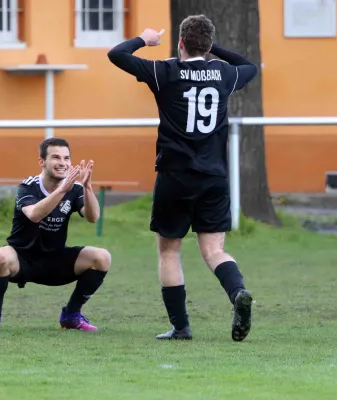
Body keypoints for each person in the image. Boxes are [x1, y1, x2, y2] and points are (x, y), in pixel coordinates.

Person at [107, 15, 257, 341]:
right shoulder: (223, 73)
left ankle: (181, 326)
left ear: (180, 43)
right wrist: (210, 48)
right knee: (215, 250)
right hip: (214, 177)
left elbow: (116, 55)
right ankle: (238, 293)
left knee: (169, 250)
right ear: (207, 45)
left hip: (175, 176)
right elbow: (250, 66)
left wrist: (144, 41)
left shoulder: (165, 71)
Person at [0, 137, 112, 333]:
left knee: (102, 257)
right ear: (42, 162)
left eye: (66, 158)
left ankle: (71, 316)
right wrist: (62, 191)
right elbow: (34, 214)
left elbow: (93, 217)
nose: (62, 163)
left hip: (54, 259)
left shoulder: (75, 189)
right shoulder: (28, 186)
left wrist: (88, 187)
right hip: (22, 259)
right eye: (56, 157)